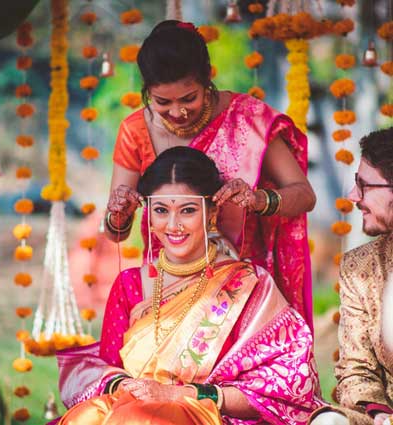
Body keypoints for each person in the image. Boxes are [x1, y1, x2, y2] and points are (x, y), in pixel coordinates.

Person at [56, 147, 323, 425]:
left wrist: (180, 395)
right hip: (127, 409)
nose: (174, 226)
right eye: (161, 210)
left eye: (187, 210)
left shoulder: (248, 286)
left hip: (208, 415)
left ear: (212, 213)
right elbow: (108, 368)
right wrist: (126, 387)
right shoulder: (130, 284)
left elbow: (282, 388)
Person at [105, 20, 316, 329]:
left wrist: (259, 200)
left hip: (240, 288)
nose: (177, 112)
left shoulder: (250, 120)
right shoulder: (135, 131)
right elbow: (115, 233)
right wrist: (119, 213)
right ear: (147, 92)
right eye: (162, 102)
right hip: (164, 288)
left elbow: (305, 195)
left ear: (208, 80)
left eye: (188, 98)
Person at [309, 128, 393, 425]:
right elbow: (357, 368)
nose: (352, 197)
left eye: (363, 185)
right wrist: (379, 413)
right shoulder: (360, 267)